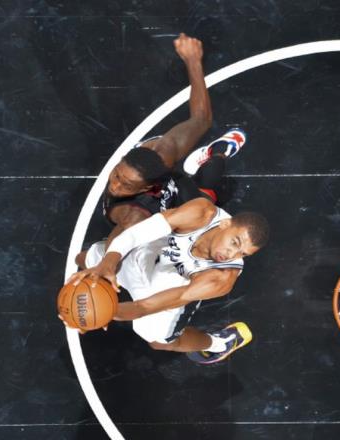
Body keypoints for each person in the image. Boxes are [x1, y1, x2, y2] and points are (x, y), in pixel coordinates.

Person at [69, 197, 269, 364]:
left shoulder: (220, 278)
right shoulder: (201, 213)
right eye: (234, 242)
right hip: (151, 255)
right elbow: (136, 234)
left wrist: (101, 313)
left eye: (243, 254)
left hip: (172, 287)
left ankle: (219, 343)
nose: (231, 254)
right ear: (225, 224)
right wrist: (108, 263)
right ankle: (109, 268)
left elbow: (144, 307)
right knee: (85, 259)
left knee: (158, 342)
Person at [103, 32, 246, 248]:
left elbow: (201, 119)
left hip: (174, 192)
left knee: (211, 181)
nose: (115, 186)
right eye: (116, 175)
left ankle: (216, 152)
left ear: (146, 187)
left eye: (126, 185)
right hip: (153, 209)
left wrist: (193, 61)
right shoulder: (132, 211)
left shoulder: (164, 155)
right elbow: (116, 244)